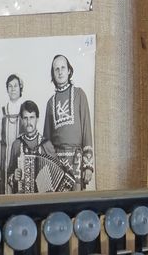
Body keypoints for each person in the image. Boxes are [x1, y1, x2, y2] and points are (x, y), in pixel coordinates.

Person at [43, 54, 93, 190]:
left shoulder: (79, 94)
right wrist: (50, 167)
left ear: (69, 70)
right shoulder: (50, 102)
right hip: (57, 163)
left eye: (63, 68)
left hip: (77, 161)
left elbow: (86, 129)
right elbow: (46, 141)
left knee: (76, 201)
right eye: (56, 69)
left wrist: (88, 165)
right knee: (59, 201)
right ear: (53, 74)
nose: (60, 72)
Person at [5, 100, 56, 194]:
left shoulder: (46, 144)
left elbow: (56, 175)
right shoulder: (16, 144)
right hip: (22, 198)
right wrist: (14, 177)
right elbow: (9, 176)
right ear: (21, 120)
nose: (29, 122)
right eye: (25, 118)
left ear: (37, 119)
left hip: (43, 198)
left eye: (32, 117)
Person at [0, 74, 24, 193]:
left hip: (22, 157)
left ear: (20, 88)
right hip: (5, 159)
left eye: (15, 86)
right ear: (7, 89)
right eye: (10, 86)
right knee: (5, 191)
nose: (13, 89)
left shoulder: (25, 110)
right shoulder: (2, 112)